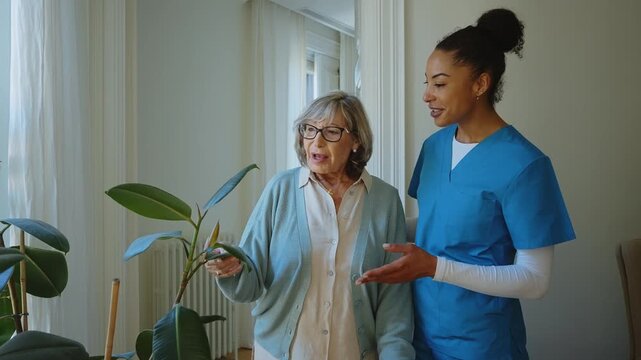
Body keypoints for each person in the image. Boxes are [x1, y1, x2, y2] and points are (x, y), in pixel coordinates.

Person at [356, 8, 576, 360]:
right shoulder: (434, 148)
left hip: (482, 343)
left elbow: (536, 280)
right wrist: (367, 225)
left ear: (480, 84)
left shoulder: (525, 165)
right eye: (426, 82)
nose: (427, 94)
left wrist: (435, 267)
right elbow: (432, 226)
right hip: (419, 333)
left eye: (439, 84)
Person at [206, 91, 415, 360]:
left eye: (331, 132)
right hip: (283, 353)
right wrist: (230, 269)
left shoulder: (385, 200)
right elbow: (251, 280)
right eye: (309, 129)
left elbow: (393, 298)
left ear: (356, 140)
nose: (316, 141)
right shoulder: (280, 189)